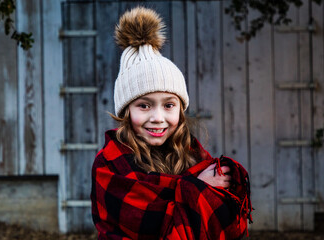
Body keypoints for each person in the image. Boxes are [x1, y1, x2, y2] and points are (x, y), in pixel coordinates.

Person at [91, 6, 252, 240]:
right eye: (144, 105)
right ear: (126, 111)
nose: (158, 118)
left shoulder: (193, 154)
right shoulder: (109, 163)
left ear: (181, 109)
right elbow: (140, 221)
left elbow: (218, 217)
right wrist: (194, 186)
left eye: (169, 105)